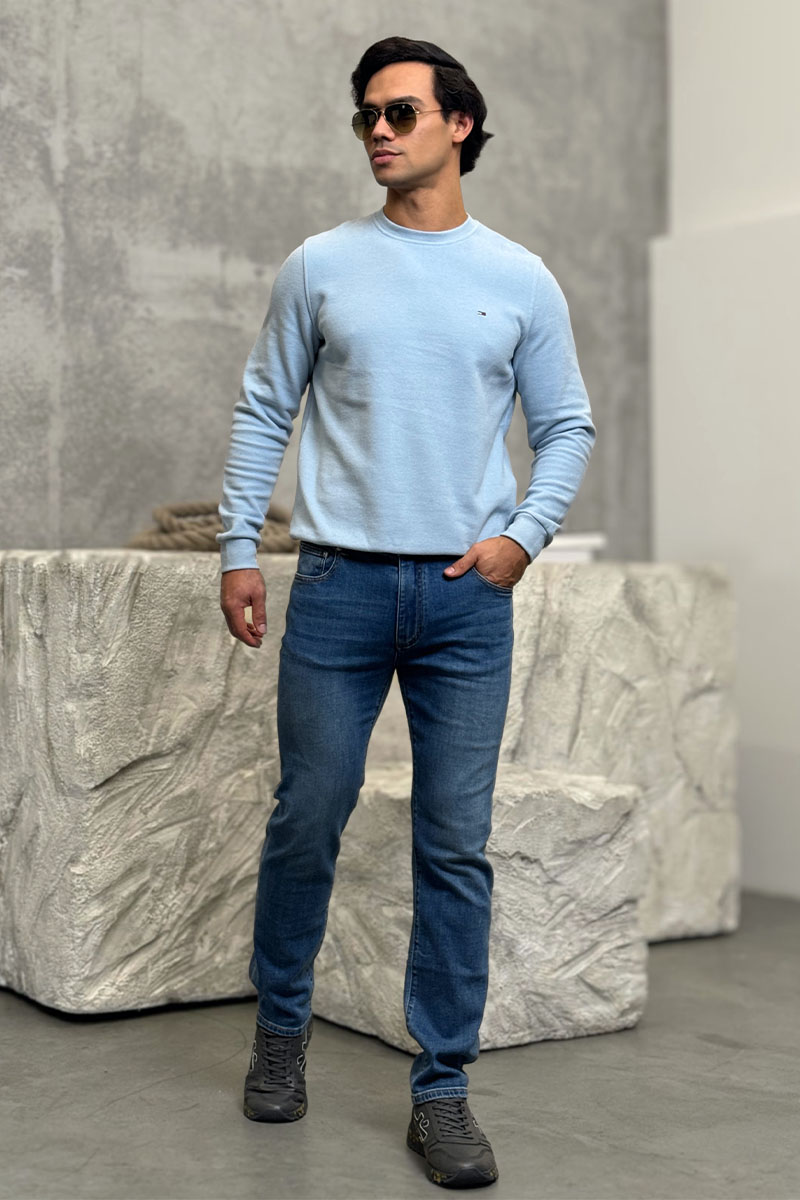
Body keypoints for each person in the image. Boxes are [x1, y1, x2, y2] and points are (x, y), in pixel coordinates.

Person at [217, 35, 596, 1191]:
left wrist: (520, 538)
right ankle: (280, 1033)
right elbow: (264, 407)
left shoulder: (520, 278)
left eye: (398, 112)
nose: (376, 131)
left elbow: (565, 426)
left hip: (462, 599)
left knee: (452, 844)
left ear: (457, 125)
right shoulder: (320, 265)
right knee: (307, 816)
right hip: (335, 585)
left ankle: (441, 1091)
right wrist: (237, 548)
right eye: (365, 117)